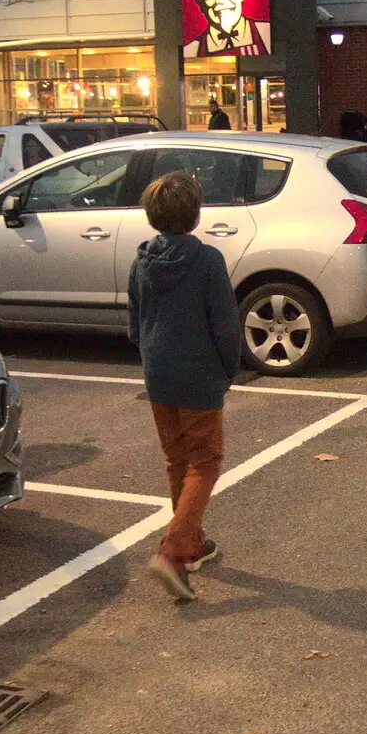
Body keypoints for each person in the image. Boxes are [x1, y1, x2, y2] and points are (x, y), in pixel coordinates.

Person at [127, 171, 242, 601]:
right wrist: (228, 370)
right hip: (199, 373)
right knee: (206, 461)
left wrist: (151, 356)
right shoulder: (207, 261)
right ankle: (174, 552)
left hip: (158, 372)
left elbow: (135, 323)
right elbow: (225, 325)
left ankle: (191, 545)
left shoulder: (142, 261)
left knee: (178, 459)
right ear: (195, 215)